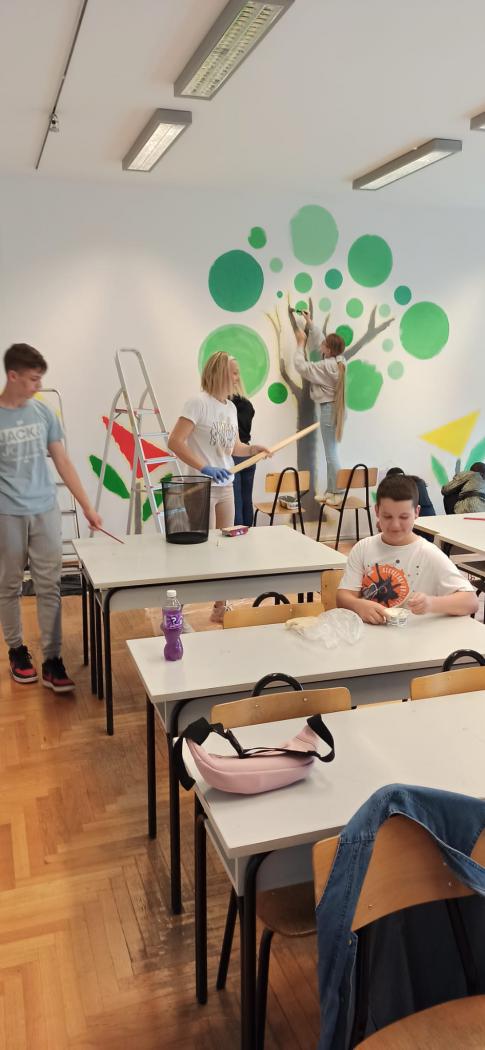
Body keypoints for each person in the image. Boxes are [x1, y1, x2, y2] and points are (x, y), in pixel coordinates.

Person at [0, 343, 102, 691]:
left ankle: (53, 660)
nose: (38, 386)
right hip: (7, 515)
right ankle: (17, 651)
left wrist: (87, 506)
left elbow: (63, 461)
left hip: (45, 511)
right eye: (33, 379)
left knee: (50, 587)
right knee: (10, 585)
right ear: (13, 376)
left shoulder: (43, 413)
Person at [168, 352, 269, 622]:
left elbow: (234, 447)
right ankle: (174, 614)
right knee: (197, 553)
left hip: (225, 486)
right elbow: (175, 441)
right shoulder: (197, 403)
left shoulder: (231, 408)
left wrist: (253, 449)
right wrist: (204, 468)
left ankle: (220, 609)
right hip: (200, 487)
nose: (237, 378)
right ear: (219, 373)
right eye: (233, 372)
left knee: (225, 548)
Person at [336, 473, 478, 624]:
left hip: (414, 635)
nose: (395, 525)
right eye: (387, 516)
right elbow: (342, 597)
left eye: (404, 517)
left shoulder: (428, 553)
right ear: (377, 511)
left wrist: (431, 604)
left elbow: (471, 602)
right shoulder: (363, 548)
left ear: (416, 512)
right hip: (369, 633)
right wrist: (357, 605)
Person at [292, 310, 346, 504]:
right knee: (332, 452)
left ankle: (338, 492)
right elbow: (322, 339)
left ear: (328, 350)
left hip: (329, 410)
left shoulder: (325, 367)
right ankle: (332, 491)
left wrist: (300, 344)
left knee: (331, 454)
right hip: (335, 409)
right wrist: (309, 322)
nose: (320, 345)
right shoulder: (338, 361)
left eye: (324, 345)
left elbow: (302, 366)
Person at [232, 378, 256, 527]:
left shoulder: (227, 406)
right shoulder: (248, 405)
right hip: (249, 454)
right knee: (247, 499)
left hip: (234, 453)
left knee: (236, 502)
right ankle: (249, 532)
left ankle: (238, 534)